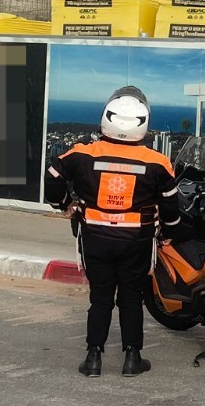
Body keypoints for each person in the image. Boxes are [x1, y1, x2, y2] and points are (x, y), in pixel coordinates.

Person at [44, 86, 180, 377]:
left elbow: (53, 176)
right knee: (131, 297)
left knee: (100, 297)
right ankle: (132, 358)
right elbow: (171, 204)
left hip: (95, 238)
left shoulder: (83, 154)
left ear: (107, 118)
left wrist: (65, 204)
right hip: (137, 241)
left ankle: (93, 358)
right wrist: (169, 232)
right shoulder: (157, 162)